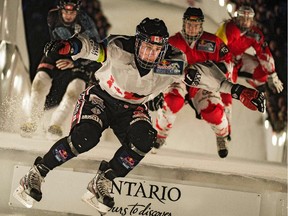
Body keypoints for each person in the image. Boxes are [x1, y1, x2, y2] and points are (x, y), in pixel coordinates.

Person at [13, 18, 264, 214]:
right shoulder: (120, 47)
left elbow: (202, 75)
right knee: (84, 137)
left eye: (157, 49)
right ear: (137, 42)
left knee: (146, 139)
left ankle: (104, 179)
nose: (150, 54)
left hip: (133, 108)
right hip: (102, 97)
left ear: (164, 48)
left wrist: (238, 90)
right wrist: (70, 46)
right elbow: (92, 49)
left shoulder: (172, 61)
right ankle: (37, 173)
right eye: (146, 47)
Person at [149, 8, 234, 158]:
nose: (192, 28)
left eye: (196, 25)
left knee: (213, 111)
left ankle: (222, 134)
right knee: (172, 101)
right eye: (189, 24)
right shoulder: (173, 41)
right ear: (184, 23)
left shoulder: (212, 41)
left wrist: (220, 69)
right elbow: (158, 63)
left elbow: (227, 60)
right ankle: (160, 135)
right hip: (178, 80)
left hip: (203, 82)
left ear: (201, 25)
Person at [20, 0, 101, 139]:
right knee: (39, 82)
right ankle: (32, 120)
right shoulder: (52, 16)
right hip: (57, 53)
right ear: (59, 9)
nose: (68, 16)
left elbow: (97, 51)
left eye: (72, 12)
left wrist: (75, 63)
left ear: (78, 11)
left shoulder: (86, 21)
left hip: (79, 58)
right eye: (65, 12)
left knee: (74, 90)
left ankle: (56, 124)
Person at [215, 5, 283, 94]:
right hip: (223, 60)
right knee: (226, 88)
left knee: (263, 75)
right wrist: (227, 58)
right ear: (237, 18)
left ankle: (260, 89)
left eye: (248, 18)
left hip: (239, 60)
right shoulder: (229, 29)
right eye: (242, 18)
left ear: (252, 20)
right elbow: (216, 47)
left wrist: (272, 74)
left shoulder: (255, 34)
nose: (245, 21)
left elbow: (263, 52)